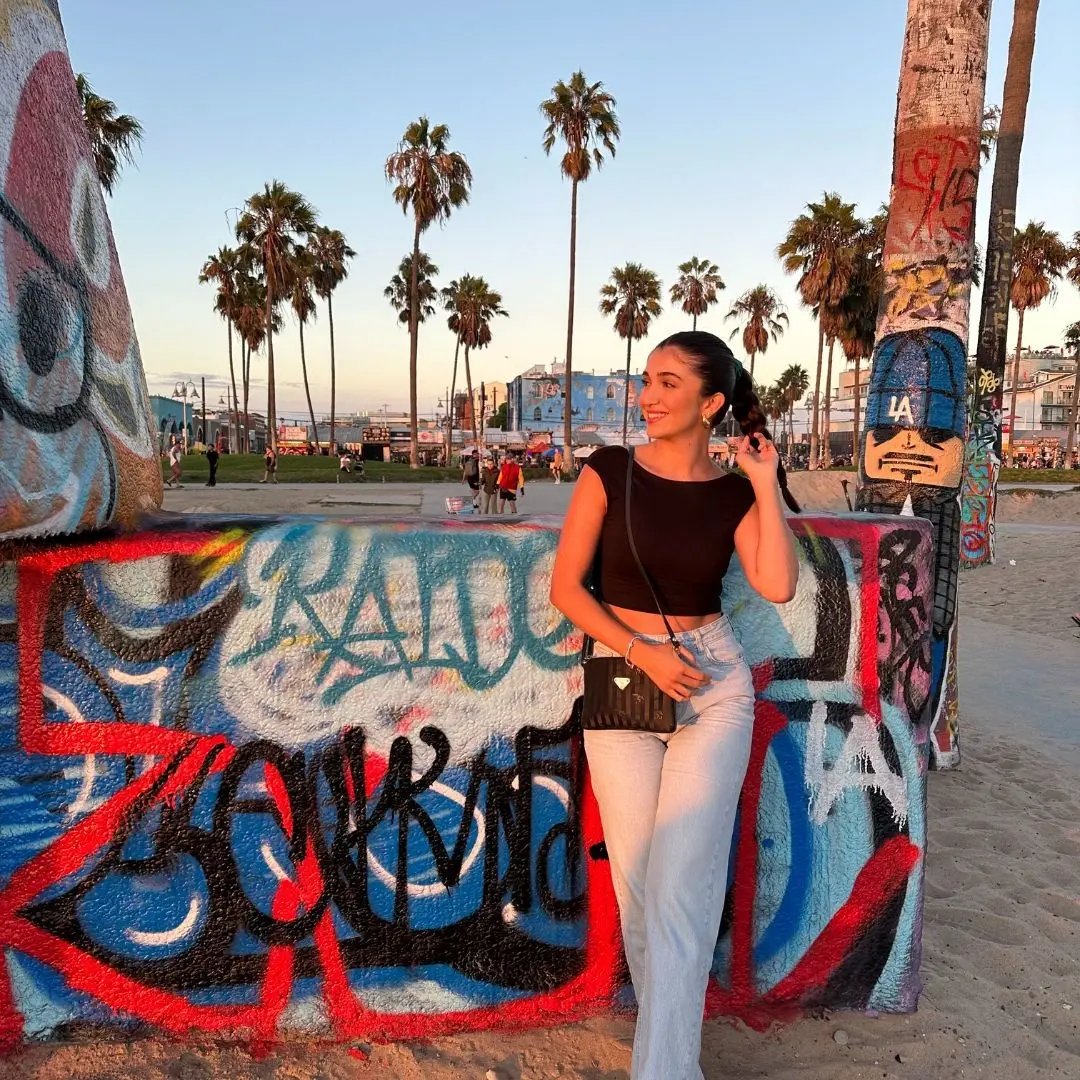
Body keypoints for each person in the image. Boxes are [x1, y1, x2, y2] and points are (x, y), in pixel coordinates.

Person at [549, 331, 800, 1080]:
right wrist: (642, 651)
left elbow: (778, 583)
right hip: (626, 676)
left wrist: (764, 480)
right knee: (641, 894)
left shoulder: (731, 494)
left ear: (711, 402)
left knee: (681, 891)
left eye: (667, 383)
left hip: (713, 683)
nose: (647, 397)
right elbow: (567, 589)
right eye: (646, 380)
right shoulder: (610, 471)